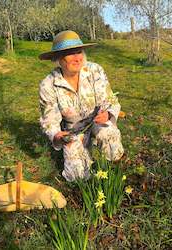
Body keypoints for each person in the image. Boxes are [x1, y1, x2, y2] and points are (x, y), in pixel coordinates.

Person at [39, 30, 124, 182]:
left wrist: (108, 115)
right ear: (58, 58)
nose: (77, 58)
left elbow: (110, 100)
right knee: (77, 176)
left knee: (109, 135)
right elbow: (49, 121)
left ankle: (116, 169)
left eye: (79, 52)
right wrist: (57, 136)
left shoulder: (94, 71)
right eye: (70, 53)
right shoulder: (48, 84)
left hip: (98, 120)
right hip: (74, 130)